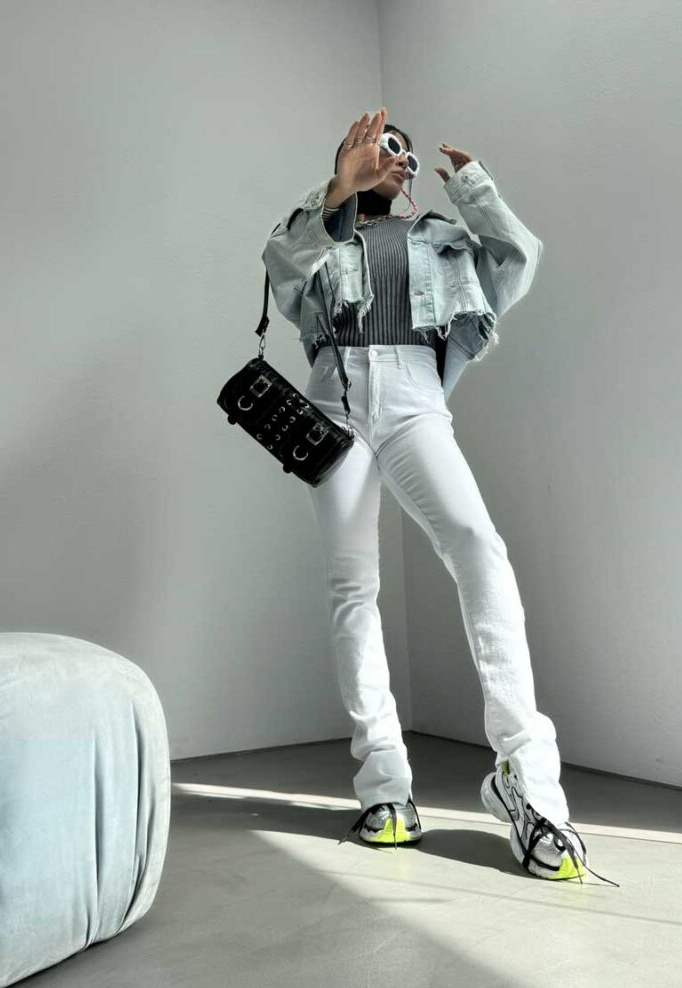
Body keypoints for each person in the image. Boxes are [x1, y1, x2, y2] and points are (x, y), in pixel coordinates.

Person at [262, 108, 617, 887]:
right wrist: (336, 193)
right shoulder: (318, 231)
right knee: (352, 586)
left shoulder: (440, 235)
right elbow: (282, 273)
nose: (402, 160)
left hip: (414, 398)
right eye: (387, 147)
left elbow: (519, 258)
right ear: (353, 155)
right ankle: (385, 787)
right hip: (332, 402)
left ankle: (529, 784)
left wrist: (476, 188)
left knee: (478, 546)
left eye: (409, 156)